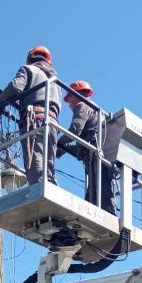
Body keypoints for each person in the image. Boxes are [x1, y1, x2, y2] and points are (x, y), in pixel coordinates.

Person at [0, 46, 62, 185]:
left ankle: (39, 189)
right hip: (53, 123)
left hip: (35, 120)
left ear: (30, 59)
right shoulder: (56, 82)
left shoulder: (28, 69)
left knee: (35, 161)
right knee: (48, 164)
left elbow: (16, 87)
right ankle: (50, 187)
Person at [57, 80, 115, 214]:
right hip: (97, 152)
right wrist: (61, 150)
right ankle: (103, 209)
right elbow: (81, 140)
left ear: (74, 95)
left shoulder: (82, 106)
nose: (69, 104)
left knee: (100, 188)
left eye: (68, 98)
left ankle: (108, 210)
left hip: (94, 152)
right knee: (95, 188)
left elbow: (75, 130)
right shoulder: (95, 110)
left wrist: (59, 141)